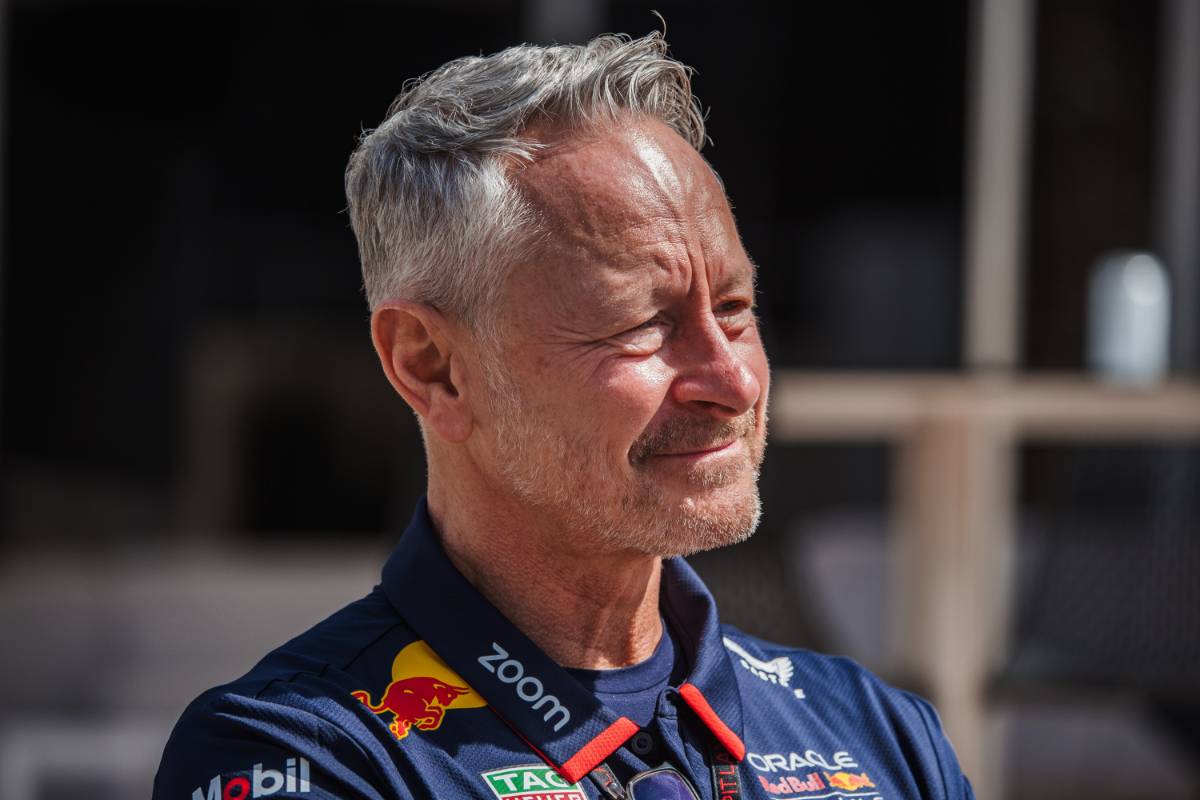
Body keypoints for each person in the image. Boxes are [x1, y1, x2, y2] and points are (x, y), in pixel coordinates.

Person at [154, 31, 974, 800]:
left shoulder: (878, 732)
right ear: (432, 366)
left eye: (734, 308)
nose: (731, 379)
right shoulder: (294, 753)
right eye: (641, 325)